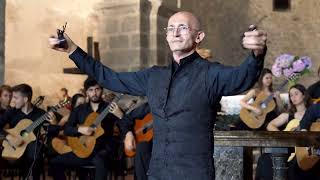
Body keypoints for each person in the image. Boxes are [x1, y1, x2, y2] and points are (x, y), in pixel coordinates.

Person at [49, 11, 267, 179]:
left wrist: (256, 54)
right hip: (157, 171)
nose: (175, 32)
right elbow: (109, 77)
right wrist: (72, 50)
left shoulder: (211, 73)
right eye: (170, 28)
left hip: (194, 173)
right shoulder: (153, 76)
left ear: (199, 36)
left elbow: (243, 77)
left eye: (183, 27)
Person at [49, 78, 120, 180]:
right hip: (83, 149)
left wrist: (120, 115)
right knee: (55, 163)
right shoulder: (79, 110)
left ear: (102, 90)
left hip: (101, 151)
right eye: (91, 90)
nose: (94, 93)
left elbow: (124, 124)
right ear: (86, 92)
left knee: (101, 163)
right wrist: (79, 130)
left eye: (97, 89)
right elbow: (67, 129)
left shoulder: (110, 108)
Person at [255, 84, 311, 180]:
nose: (293, 97)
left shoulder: (312, 113)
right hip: (288, 149)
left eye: (296, 94)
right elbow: (269, 125)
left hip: (304, 151)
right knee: (265, 159)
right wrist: (285, 136)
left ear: (304, 95)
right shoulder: (287, 115)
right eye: (291, 95)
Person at [0, 84, 50, 180]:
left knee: (34, 148)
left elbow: (53, 130)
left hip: (33, 152)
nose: (12, 100)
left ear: (26, 99)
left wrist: (54, 121)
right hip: (15, 150)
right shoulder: (11, 112)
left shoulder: (41, 114)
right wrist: (9, 137)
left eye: (15, 98)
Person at [118, 103, 152, 180]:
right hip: (146, 148)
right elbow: (126, 119)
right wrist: (128, 133)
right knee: (141, 147)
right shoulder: (151, 105)